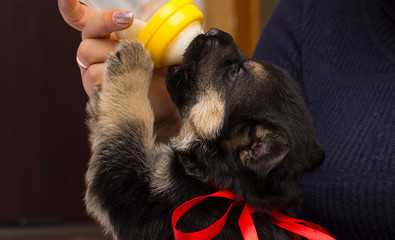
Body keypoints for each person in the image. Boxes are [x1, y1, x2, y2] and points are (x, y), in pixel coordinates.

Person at [58, 0, 394, 239]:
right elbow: (217, 125)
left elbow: (118, 194)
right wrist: (168, 118)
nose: (221, 36)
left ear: (256, 147)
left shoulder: (210, 215)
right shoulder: (309, 12)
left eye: (234, 72)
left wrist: (126, 90)